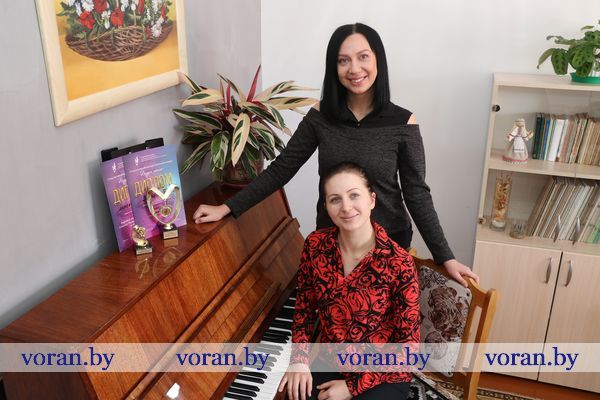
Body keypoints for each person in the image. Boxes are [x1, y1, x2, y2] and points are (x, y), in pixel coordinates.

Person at [193, 22, 479, 287]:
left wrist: (445, 256)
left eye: (363, 57)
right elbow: (282, 169)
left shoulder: (403, 123)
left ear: (378, 60)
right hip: (332, 244)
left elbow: (416, 193)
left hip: (388, 245)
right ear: (334, 67)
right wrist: (228, 207)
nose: (354, 68)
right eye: (343, 60)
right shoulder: (321, 116)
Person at [278, 162, 419, 400]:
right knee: (293, 394)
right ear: (326, 207)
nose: (346, 207)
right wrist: (299, 360)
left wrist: (352, 387)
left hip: (383, 372)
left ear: (371, 200)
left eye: (354, 195)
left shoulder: (399, 262)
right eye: (335, 199)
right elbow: (304, 309)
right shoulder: (315, 245)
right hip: (331, 361)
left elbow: (409, 348)